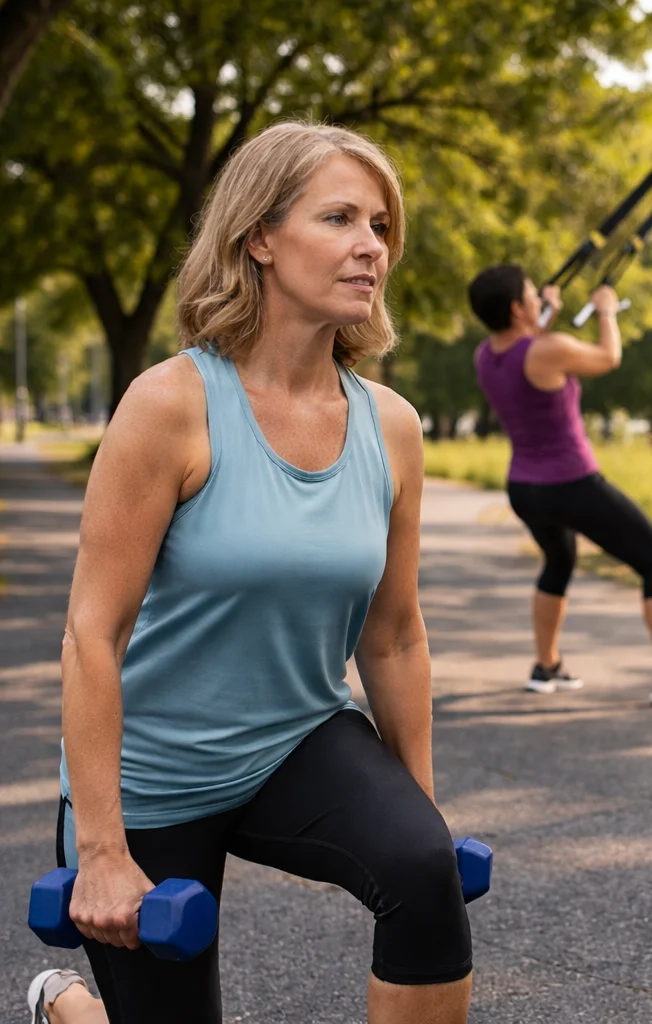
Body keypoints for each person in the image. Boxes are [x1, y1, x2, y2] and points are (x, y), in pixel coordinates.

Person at [32, 121, 473, 1024]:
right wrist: (104, 849)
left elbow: (392, 635)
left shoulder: (391, 425)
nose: (371, 246)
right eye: (341, 217)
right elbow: (92, 632)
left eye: (382, 225)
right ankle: (69, 1008)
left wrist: (419, 815)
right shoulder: (170, 405)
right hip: (153, 771)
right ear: (259, 239)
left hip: (295, 741)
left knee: (423, 875)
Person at [468, 265, 652, 708]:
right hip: (570, 482)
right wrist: (606, 311)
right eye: (531, 294)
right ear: (516, 307)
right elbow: (608, 358)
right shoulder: (549, 350)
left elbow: (530, 343)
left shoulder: (488, 355)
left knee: (559, 561)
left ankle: (546, 666)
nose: (537, 297)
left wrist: (545, 311)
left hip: (524, 489)